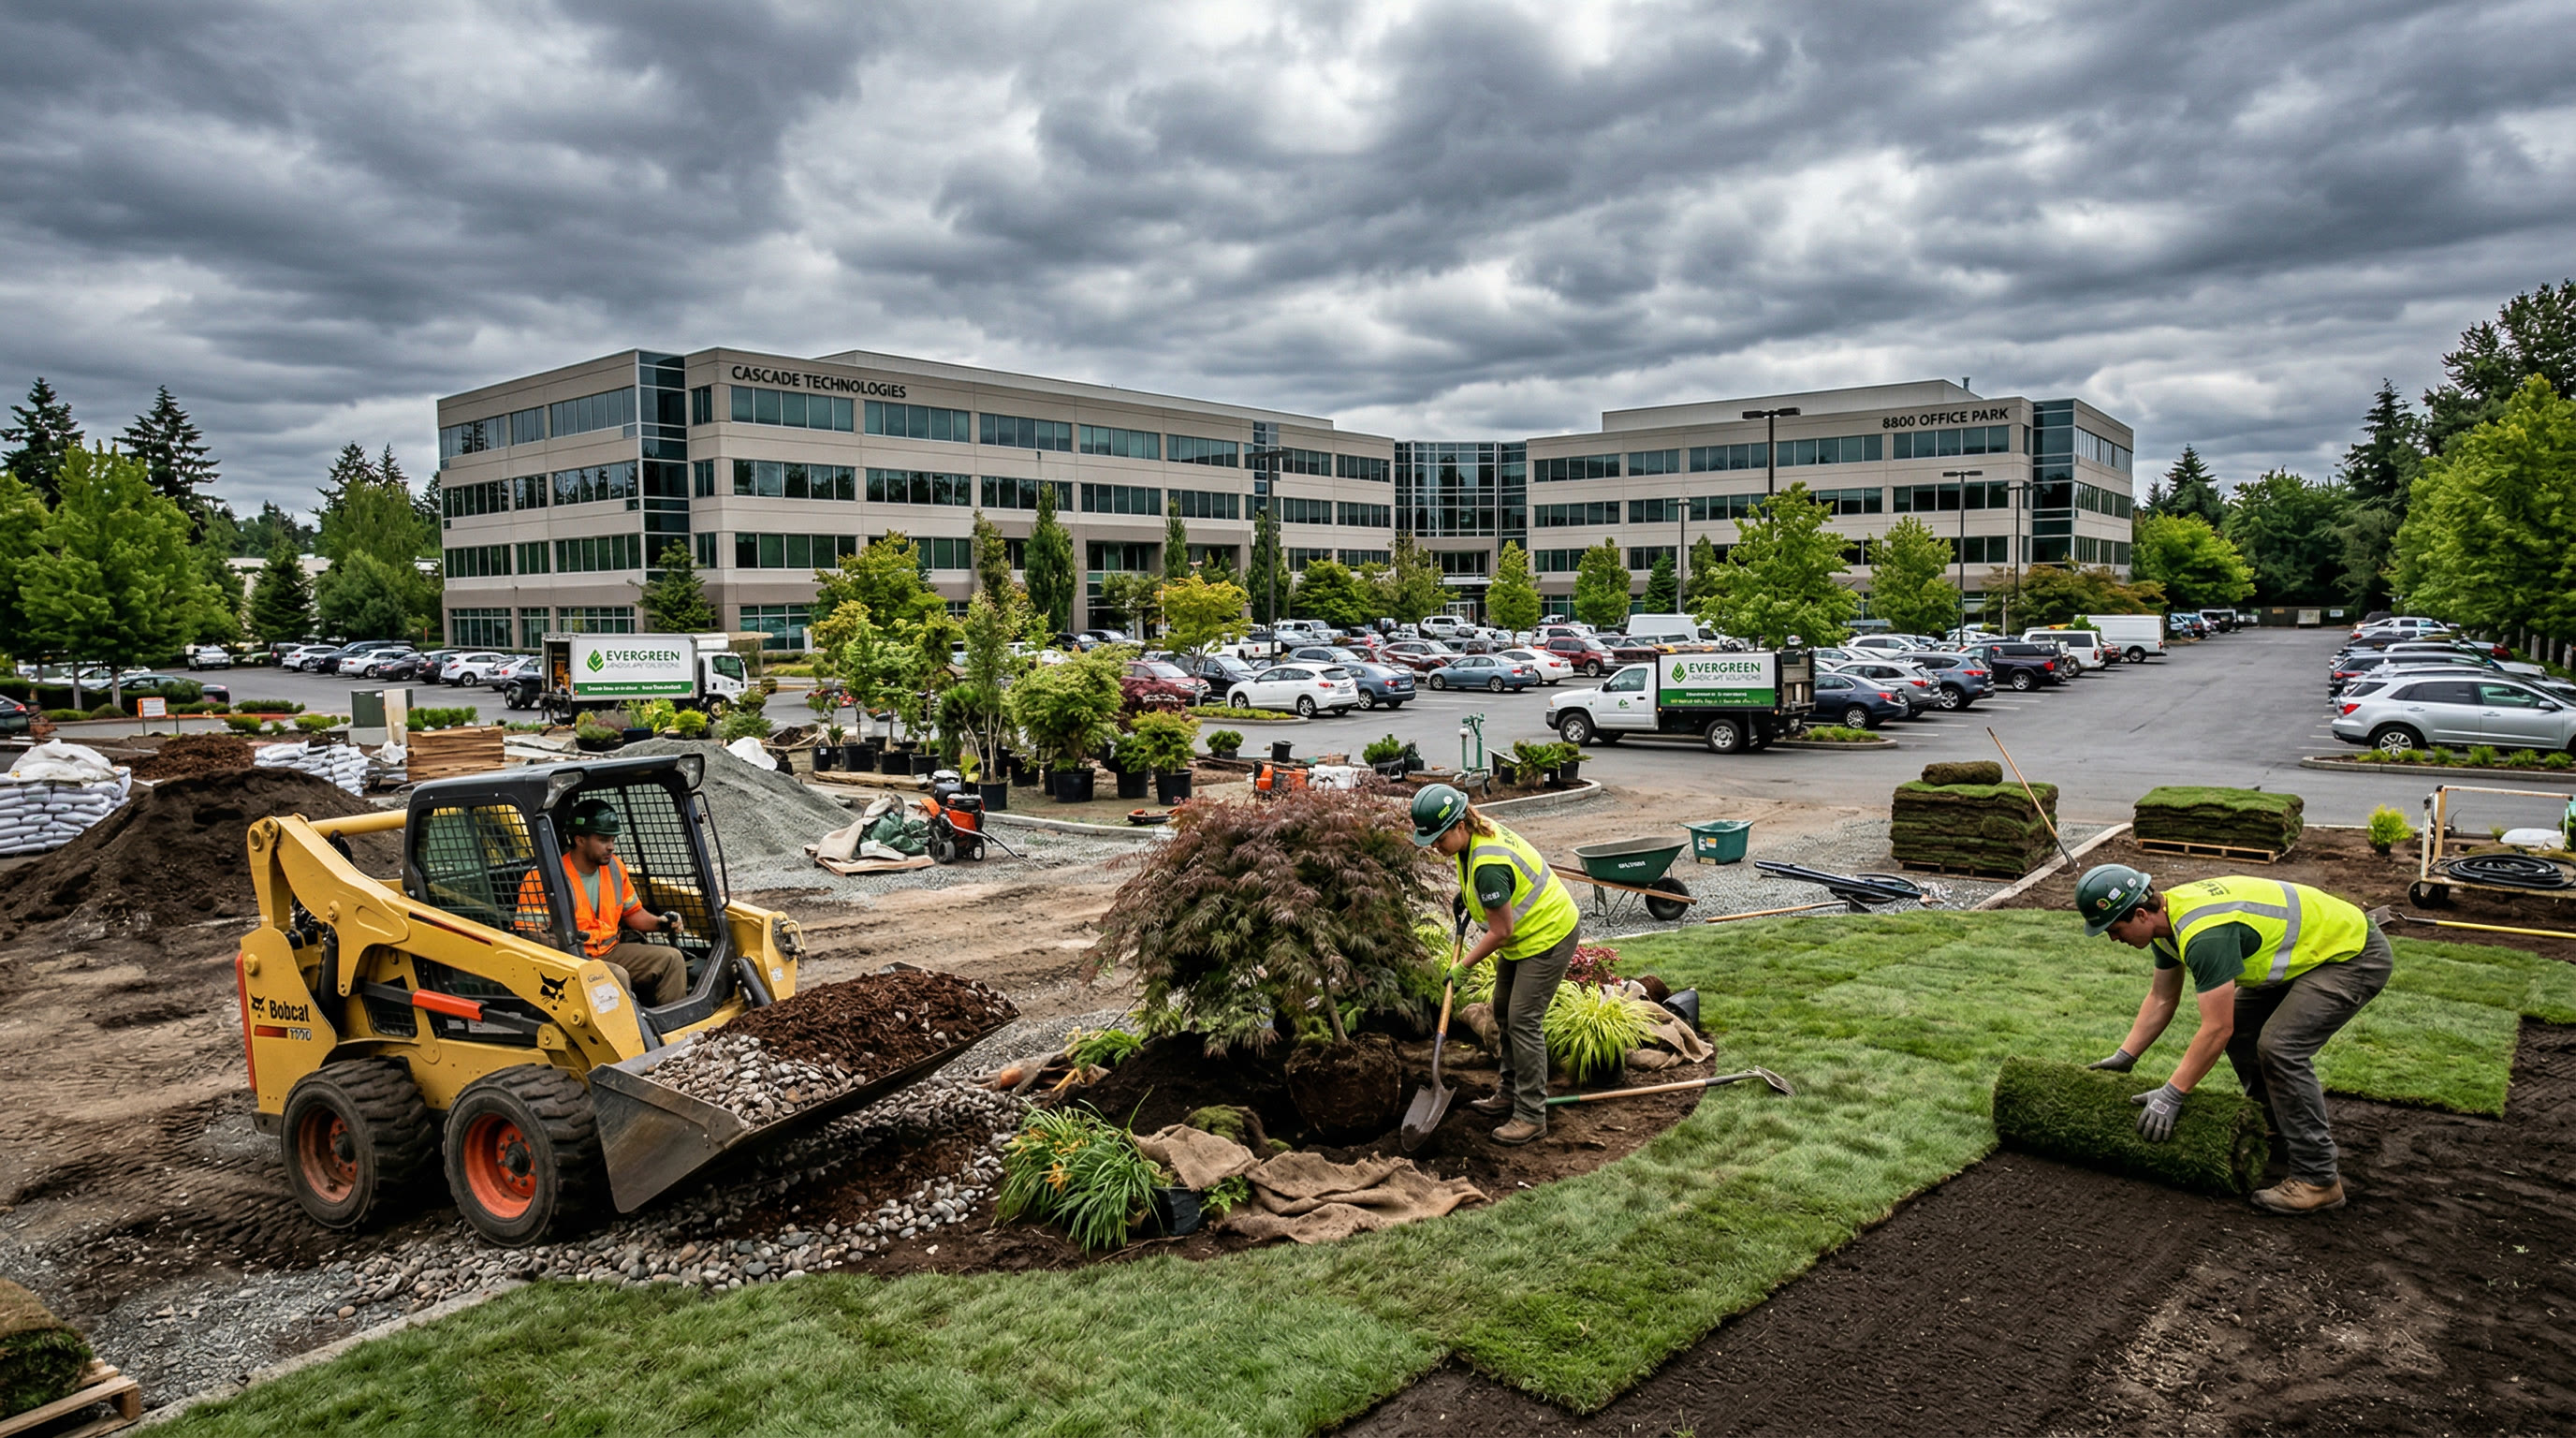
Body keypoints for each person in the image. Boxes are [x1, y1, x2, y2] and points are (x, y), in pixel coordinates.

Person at [2075, 864, 2392, 1214]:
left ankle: (2318, 1179)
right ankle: (2275, 1125)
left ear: (2139, 914)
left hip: (2350, 955)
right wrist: (2125, 1056)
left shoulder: (2204, 934)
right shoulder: (2165, 925)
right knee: (2243, 1026)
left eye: (2114, 929)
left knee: (2281, 1047)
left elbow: (2215, 1028)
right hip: (2310, 952)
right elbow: (2162, 998)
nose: (2113, 938)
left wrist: (2172, 1094)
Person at [1412, 783, 1583, 1146]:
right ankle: (1509, 1092)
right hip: (1525, 936)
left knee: (1523, 1020)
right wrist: (1469, 895)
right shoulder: (1472, 834)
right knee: (1502, 1010)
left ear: (1459, 825)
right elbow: (1495, 890)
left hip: (1548, 935)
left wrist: (1464, 966)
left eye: (1438, 840)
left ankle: (1531, 1115)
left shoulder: (1488, 864)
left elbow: (1502, 931)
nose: (1435, 847)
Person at [516, 798, 688, 1006]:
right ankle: (630, 1027)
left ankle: (677, 1022)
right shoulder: (544, 877)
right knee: (615, 975)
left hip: (610, 951)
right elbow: (529, 934)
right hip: (570, 960)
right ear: (580, 840)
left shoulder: (615, 868)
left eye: (613, 840)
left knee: (672, 959)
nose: (611, 847)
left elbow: (633, 913)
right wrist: (570, 948)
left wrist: (660, 923)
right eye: (604, 840)